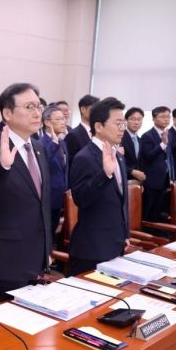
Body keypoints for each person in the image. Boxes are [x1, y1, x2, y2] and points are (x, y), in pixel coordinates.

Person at [0, 83, 51, 306]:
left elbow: (42, 205)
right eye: (29, 106)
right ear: (7, 113)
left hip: (34, 258)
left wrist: (46, 250)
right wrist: (1, 168)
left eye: (39, 106)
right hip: (4, 261)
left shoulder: (39, 148)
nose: (37, 112)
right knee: (0, 333)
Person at [68, 97, 130, 276]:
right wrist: (104, 175)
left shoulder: (117, 155)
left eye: (123, 123)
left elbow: (120, 201)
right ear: (99, 126)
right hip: (92, 248)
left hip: (115, 243)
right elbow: (81, 198)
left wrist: (124, 234)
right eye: (117, 123)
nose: (122, 128)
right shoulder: (84, 157)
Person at [139, 106, 172, 222]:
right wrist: (162, 144)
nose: (166, 119)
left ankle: (160, 233)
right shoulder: (147, 136)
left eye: (168, 116)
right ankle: (148, 235)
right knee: (149, 211)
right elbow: (148, 156)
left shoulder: (168, 134)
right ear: (154, 118)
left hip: (166, 180)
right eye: (163, 116)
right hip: (152, 181)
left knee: (161, 210)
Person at [39, 104, 69, 234]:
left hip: (61, 197)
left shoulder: (63, 142)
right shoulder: (41, 143)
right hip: (48, 198)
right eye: (58, 119)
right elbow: (44, 164)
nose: (63, 122)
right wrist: (54, 143)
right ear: (46, 122)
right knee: (45, 234)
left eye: (63, 119)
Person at [65, 94, 99, 164]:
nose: (96, 112)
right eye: (93, 109)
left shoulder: (99, 133)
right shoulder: (73, 135)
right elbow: (71, 163)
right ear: (83, 109)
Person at [120, 107, 146, 181]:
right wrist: (132, 172)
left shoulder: (139, 140)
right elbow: (117, 161)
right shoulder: (120, 137)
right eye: (133, 119)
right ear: (126, 121)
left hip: (136, 181)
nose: (136, 122)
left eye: (139, 119)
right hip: (123, 179)